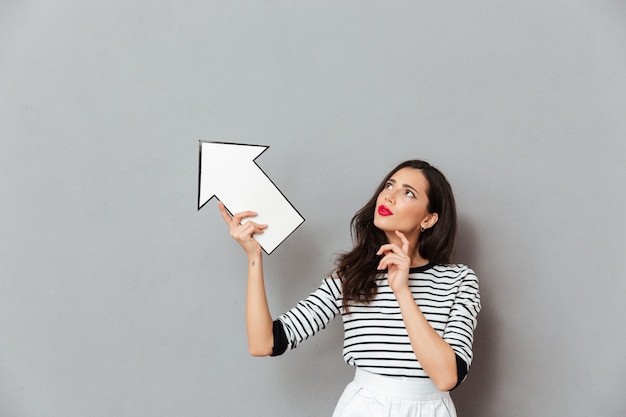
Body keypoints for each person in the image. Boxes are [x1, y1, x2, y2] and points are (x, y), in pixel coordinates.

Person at [217, 160, 481, 417]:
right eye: (389, 186)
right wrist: (254, 256)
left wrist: (402, 291)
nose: (389, 197)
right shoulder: (349, 277)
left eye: (408, 193)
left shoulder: (459, 281)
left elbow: (447, 377)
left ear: (429, 219)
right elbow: (265, 343)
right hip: (365, 408)